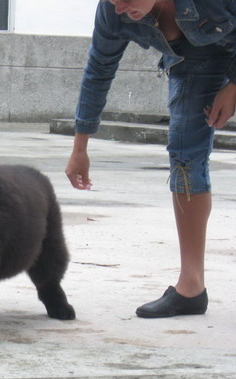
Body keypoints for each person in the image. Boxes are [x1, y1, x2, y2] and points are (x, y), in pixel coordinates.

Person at [66, 0, 236, 318]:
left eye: (126, 0)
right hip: (193, 62)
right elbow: (99, 70)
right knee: (185, 159)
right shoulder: (112, 11)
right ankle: (191, 287)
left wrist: (233, 86)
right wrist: (80, 148)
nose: (119, 9)